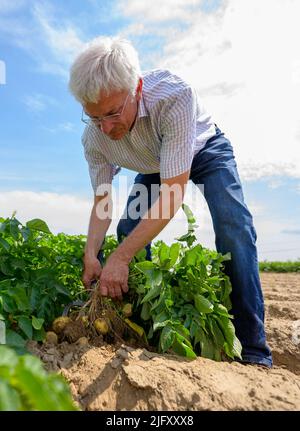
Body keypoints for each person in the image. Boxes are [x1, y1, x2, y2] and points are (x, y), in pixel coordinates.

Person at [68, 36, 273, 368]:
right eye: (94, 117)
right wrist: (92, 253)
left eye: (112, 113)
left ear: (136, 88)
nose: (105, 128)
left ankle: (253, 349)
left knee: (233, 227)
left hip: (205, 150)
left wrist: (120, 258)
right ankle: (146, 326)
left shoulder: (174, 96)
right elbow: (103, 199)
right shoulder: (94, 137)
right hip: (153, 162)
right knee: (128, 227)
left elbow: (172, 194)